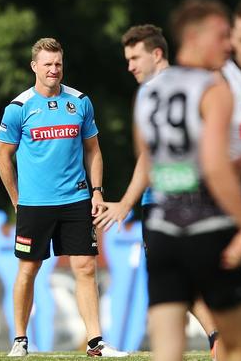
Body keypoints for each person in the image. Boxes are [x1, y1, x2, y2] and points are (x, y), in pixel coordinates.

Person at [134, 0, 241, 360]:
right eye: (222, 35)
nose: (229, 44)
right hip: (207, 228)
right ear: (193, 36)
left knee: (168, 351)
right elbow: (214, 165)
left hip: (160, 228)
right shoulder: (213, 87)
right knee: (240, 346)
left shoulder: (148, 92)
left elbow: (151, 162)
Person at [94, 23, 220, 359]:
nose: (130, 66)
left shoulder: (160, 91)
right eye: (127, 59)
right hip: (172, 200)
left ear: (157, 53)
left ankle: (220, 335)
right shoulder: (170, 88)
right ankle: (217, 335)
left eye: (135, 57)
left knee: (175, 281)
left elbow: (150, 157)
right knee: (178, 277)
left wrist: (124, 204)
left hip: (174, 202)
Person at [0, 37, 127, 358]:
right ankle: (20, 340)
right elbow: (2, 157)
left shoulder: (80, 102)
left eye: (58, 64)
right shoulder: (18, 108)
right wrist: (16, 199)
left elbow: (94, 151)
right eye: (47, 64)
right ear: (34, 67)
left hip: (76, 201)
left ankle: (95, 342)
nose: (54, 70)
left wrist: (97, 191)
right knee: (28, 270)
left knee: (85, 267)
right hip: (34, 204)